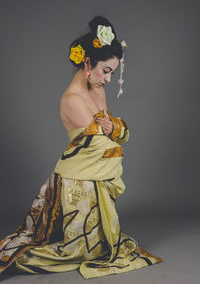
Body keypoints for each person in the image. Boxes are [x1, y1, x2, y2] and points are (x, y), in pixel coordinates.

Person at [0, 16, 164, 279]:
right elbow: (107, 148)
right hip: (78, 183)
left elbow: (113, 137)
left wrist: (115, 131)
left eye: (112, 72)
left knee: (102, 247)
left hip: (94, 177)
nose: (108, 79)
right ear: (88, 63)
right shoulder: (72, 100)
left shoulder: (97, 87)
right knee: (76, 252)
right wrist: (117, 132)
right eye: (106, 71)